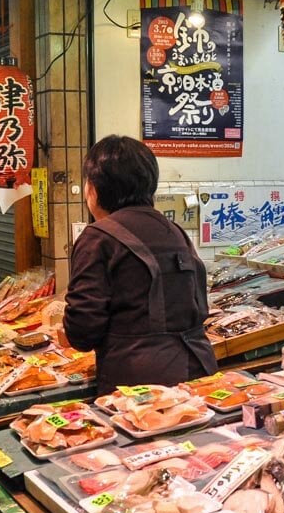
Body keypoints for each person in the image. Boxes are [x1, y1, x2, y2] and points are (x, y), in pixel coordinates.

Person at [63, 134, 216, 391]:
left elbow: (82, 331)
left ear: (94, 189)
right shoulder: (174, 231)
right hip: (198, 368)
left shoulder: (97, 237)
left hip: (137, 384)